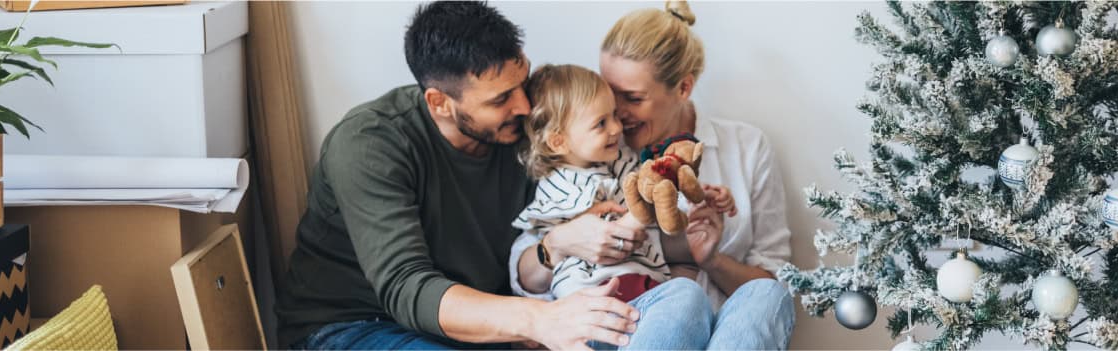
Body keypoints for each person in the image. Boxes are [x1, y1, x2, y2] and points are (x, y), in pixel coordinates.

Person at [277, 2, 685, 350]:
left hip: (482, 325)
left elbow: (552, 235)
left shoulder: (519, 131)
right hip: (357, 325)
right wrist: (536, 319)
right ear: (439, 103)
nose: (524, 106)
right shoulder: (371, 144)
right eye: (501, 98)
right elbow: (407, 287)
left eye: (521, 83)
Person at [511, 1, 797, 349]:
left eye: (632, 98)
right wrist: (558, 242)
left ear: (683, 88)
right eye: (609, 94)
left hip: (725, 333)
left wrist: (711, 260)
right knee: (683, 297)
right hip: (633, 329)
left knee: (767, 294)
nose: (616, 115)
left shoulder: (747, 147)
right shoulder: (597, 151)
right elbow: (526, 270)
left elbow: (776, 278)